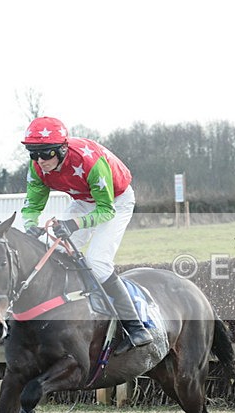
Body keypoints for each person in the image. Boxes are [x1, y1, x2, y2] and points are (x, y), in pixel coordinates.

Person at [20, 116, 153, 355]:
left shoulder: (89, 161)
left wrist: (74, 224)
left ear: (62, 149)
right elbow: (32, 206)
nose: (40, 160)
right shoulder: (38, 167)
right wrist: (30, 225)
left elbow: (105, 210)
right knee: (51, 249)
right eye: (33, 154)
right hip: (83, 201)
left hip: (115, 201)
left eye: (46, 153)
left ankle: (137, 328)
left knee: (97, 262)